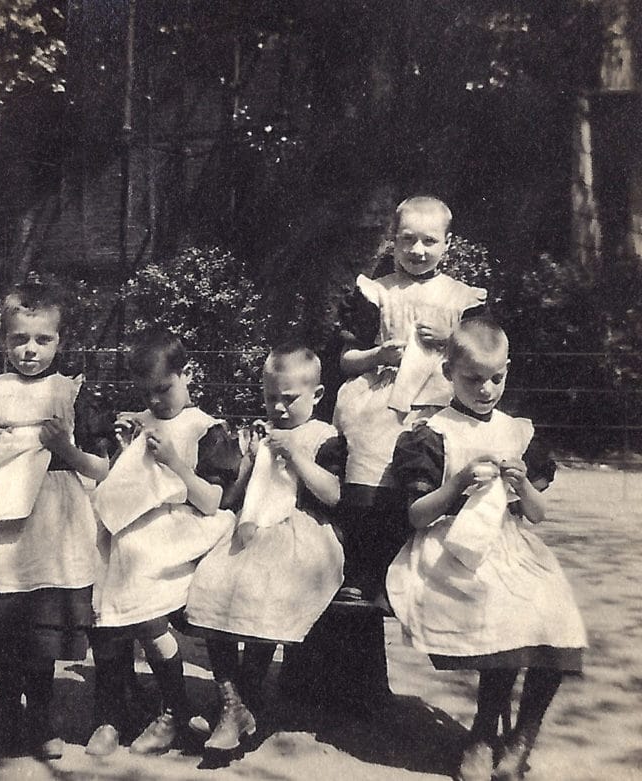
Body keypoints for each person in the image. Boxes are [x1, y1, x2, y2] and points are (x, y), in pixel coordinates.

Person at [386, 318, 587, 781]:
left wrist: (521, 485)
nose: (486, 389)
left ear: (507, 370)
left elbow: (536, 514)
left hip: (509, 542)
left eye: (497, 378)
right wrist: (456, 482)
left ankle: (522, 734)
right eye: (474, 379)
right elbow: (416, 515)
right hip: (450, 544)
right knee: (501, 611)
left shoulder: (517, 431)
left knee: (556, 614)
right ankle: (481, 732)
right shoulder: (433, 431)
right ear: (447, 371)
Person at [324, 195, 488, 714]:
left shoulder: (462, 298)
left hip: (438, 407)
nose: (417, 250)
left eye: (429, 240)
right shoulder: (374, 291)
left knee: (434, 489)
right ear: (391, 241)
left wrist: (452, 339)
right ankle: (355, 661)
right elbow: (342, 358)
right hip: (380, 400)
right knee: (367, 490)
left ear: (447, 243)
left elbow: (488, 356)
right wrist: (378, 353)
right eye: (407, 239)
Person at [0, 277, 110, 760]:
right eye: (19, 339)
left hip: (51, 523)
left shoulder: (70, 392)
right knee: (4, 624)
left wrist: (65, 447)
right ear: (3, 340)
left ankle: (42, 718)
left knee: (40, 626)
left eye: (42, 340)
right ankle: (9, 716)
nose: (30, 350)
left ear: (59, 340)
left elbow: (101, 468)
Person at [185, 342, 346, 752]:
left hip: (303, 533)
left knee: (265, 586)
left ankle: (242, 698)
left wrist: (296, 457)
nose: (279, 408)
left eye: (289, 399)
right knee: (211, 580)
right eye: (271, 397)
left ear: (317, 396)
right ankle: (232, 700)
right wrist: (250, 459)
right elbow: (234, 497)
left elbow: (332, 494)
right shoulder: (262, 434)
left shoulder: (322, 437)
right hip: (252, 528)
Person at [87, 329, 238, 757]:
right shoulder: (143, 423)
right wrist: (124, 452)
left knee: (137, 591)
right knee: (99, 588)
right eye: (145, 392)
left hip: (180, 532)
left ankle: (173, 709)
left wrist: (172, 460)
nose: (155, 401)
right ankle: (116, 712)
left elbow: (211, 501)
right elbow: (125, 486)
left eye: (163, 389)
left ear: (185, 374)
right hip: (135, 532)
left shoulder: (205, 428)